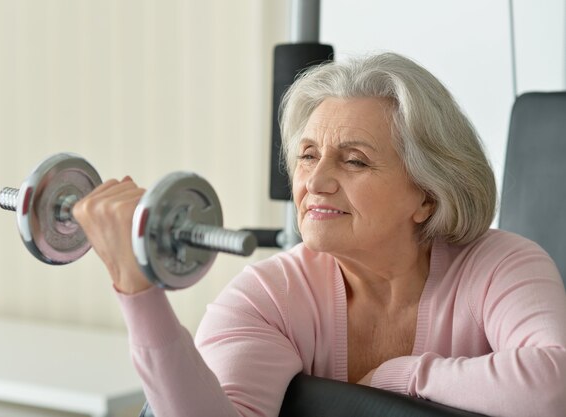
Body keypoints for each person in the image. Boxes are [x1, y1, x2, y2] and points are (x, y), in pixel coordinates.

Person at [72, 52, 566, 417]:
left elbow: (554, 387)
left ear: (427, 197)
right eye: (308, 155)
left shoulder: (501, 265)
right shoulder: (272, 294)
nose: (316, 181)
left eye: (354, 161)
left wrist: (405, 375)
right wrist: (140, 295)